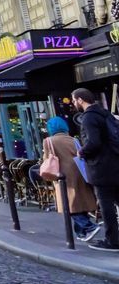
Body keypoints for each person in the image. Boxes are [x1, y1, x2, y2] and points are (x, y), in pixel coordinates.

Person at [72, 88, 119, 251]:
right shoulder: (105, 113)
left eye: (73, 100)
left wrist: (82, 152)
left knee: (106, 205)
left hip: (101, 167)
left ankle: (113, 240)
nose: (73, 103)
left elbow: (94, 142)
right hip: (115, 163)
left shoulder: (89, 118)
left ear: (80, 100)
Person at [40, 115, 100, 242]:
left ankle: (88, 227)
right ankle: (82, 233)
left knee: (69, 204)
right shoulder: (73, 139)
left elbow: (46, 158)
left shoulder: (48, 141)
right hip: (79, 172)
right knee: (79, 201)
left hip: (63, 175)